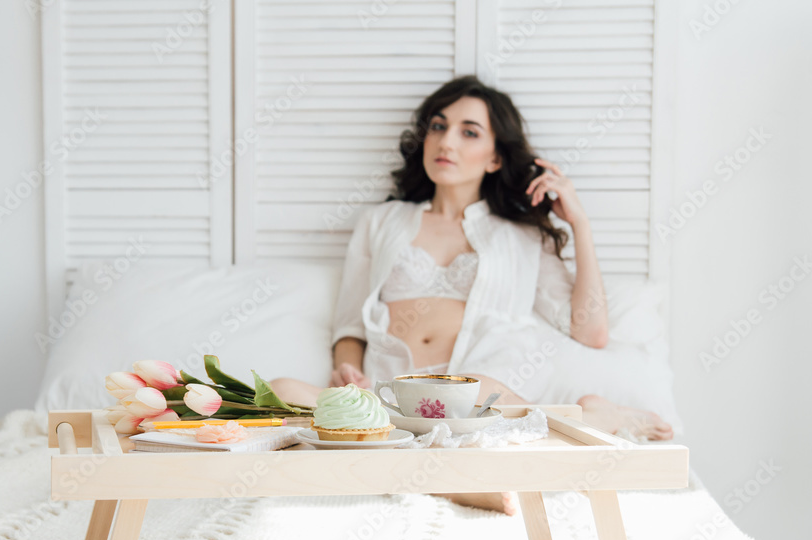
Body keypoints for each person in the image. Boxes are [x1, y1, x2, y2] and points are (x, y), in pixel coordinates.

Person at [271, 75, 674, 514]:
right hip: (391, 398)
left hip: (477, 392)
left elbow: (591, 331)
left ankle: (592, 420)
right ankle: (466, 477)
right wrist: (346, 369)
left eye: (469, 132)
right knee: (283, 390)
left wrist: (580, 225)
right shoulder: (382, 222)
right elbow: (351, 322)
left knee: (474, 393)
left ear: (496, 157)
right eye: (439, 126)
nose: (447, 141)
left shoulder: (521, 236)